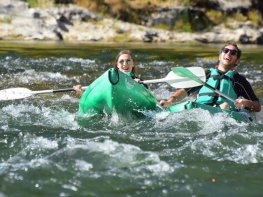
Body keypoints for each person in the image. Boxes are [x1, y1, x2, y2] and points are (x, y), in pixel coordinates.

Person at [160, 41, 261, 113]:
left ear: (236, 60)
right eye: (225, 50)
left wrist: (247, 103)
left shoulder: (239, 80)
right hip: (199, 110)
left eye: (233, 53)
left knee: (225, 105)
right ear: (220, 55)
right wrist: (170, 101)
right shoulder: (206, 74)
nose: (229, 53)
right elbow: (184, 91)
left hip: (224, 113)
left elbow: (257, 107)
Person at [74, 50, 147, 95]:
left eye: (128, 61)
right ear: (117, 65)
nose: (125, 64)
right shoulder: (108, 81)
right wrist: (82, 93)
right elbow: (95, 97)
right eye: (121, 61)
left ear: (133, 64)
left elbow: (150, 101)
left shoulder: (141, 82)